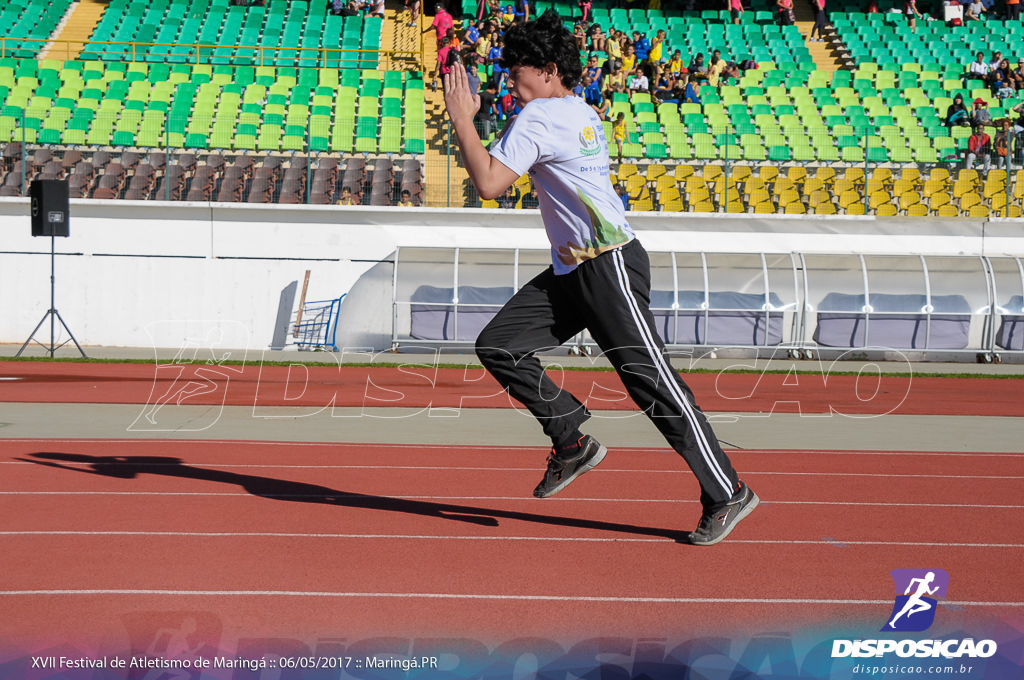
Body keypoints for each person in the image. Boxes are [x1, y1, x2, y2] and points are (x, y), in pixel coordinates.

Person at [441, 9, 758, 546]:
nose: (511, 88)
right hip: (575, 268)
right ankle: (570, 441)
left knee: (651, 383)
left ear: (545, 70)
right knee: (500, 345)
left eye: (515, 76)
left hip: (606, 264)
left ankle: (727, 490)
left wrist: (463, 120)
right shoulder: (581, 109)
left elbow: (491, 184)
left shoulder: (540, 117)